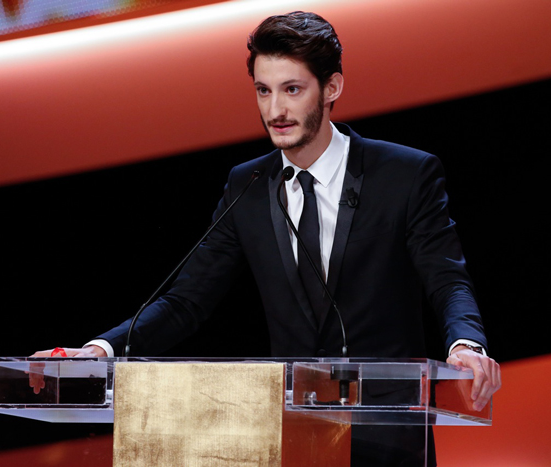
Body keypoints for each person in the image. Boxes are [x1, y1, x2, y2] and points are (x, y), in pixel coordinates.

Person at [32, 11, 500, 464]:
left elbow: (447, 279)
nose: (275, 110)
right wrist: (99, 351)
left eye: (292, 89)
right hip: (293, 437)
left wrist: (466, 344)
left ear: (332, 88)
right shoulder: (248, 186)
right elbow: (186, 301)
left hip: (390, 435)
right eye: (263, 90)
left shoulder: (404, 174)